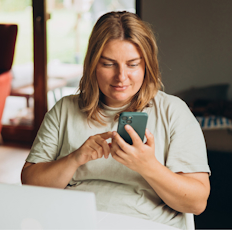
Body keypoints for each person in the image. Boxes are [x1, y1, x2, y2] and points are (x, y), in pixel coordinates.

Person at [21, 11, 210, 228]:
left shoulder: (174, 112)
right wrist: (75, 158)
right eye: (109, 64)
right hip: (72, 222)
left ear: (146, 66)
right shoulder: (65, 109)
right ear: (93, 65)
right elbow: (30, 183)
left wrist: (147, 166)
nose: (121, 77)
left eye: (132, 64)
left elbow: (196, 202)